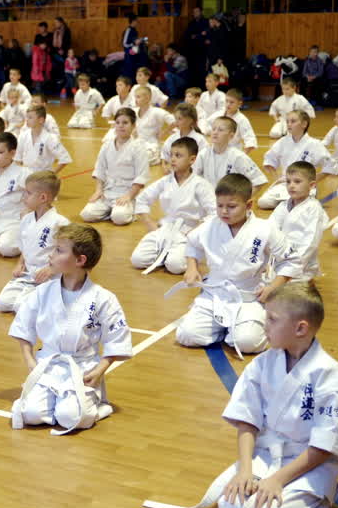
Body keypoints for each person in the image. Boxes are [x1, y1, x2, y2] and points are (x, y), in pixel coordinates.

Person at [149, 282, 338, 508]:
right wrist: (246, 470)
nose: (264, 325)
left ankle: (321, 501)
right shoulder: (262, 364)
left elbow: (323, 447)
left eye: (272, 319)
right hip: (266, 454)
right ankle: (272, 491)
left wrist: (278, 480)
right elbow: (246, 421)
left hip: (309, 463)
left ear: (300, 328)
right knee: (230, 506)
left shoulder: (330, 377)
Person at [8, 223, 132, 433]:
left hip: (83, 368)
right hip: (48, 363)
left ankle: (98, 406)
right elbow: (23, 327)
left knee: (70, 418)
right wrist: (30, 360)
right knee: (31, 414)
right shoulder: (43, 292)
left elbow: (116, 340)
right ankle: (58, 401)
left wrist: (100, 370)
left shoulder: (103, 298)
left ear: (80, 260)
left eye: (59, 250)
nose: (51, 255)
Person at [175, 173, 296, 356]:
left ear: (248, 205)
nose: (224, 211)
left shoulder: (264, 229)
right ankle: (224, 328)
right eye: (220, 206)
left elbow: (291, 260)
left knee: (247, 343)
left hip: (249, 296)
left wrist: (273, 287)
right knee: (186, 335)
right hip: (214, 295)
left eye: (231, 207)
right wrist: (192, 267)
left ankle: (247, 325)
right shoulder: (210, 226)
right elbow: (192, 244)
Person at [131, 138, 216, 275]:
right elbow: (142, 199)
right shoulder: (165, 182)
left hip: (187, 232)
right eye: (171, 155)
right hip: (164, 229)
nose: (172, 159)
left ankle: (177, 255)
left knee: (175, 266)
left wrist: (196, 231)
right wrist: (150, 224)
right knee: (137, 260)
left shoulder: (201, 184)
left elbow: (214, 213)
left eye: (178, 155)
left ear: (192, 160)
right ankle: (167, 253)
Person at [0, 171, 70, 312]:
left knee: (21, 306)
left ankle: (57, 295)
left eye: (28, 193)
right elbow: (25, 247)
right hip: (28, 274)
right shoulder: (26, 220)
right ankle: (31, 293)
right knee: (3, 304)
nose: (24, 197)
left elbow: (68, 253)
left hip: (49, 276)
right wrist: (20, 264)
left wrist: (52, 269)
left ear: (43, 197)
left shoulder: (60, 223)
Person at [81, 109, 149, 225]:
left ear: (133, 125)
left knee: (119, 218)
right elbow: (100, 169)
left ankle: (127, 211)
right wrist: (98, 190)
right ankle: (110, 211)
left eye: (125, 123)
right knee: (86, 214)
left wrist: (129, 196)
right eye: (118, 122)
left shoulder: (138, 148)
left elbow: (141, 176)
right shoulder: (107, 145)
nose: (121, 126)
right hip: (108, 191)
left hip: (127, 192)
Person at [268, 162, 329, 281]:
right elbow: (269, 229)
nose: (291, 186)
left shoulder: (314, 208)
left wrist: (293, 265)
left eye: (297, 182)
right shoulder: (283, 205)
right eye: (288, 181)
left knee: (279, 289)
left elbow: (310, 242)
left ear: (311, 185)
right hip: (280, 258)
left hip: (302, 264)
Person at [257, 111, 328, 210]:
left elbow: (330, 167)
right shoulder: (282, 142)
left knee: (301, 203)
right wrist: (277, 178)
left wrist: (311, 181)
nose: (289, 124)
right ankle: (291, 203)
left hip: (305, 186)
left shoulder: (314, 144)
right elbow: (269, 161)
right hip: (285, 183)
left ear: (304, 124)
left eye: (293, 121)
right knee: (263, 202)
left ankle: (292, 203)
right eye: (287, 122)